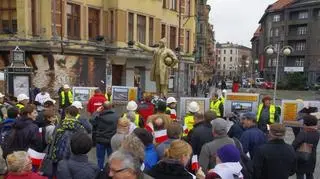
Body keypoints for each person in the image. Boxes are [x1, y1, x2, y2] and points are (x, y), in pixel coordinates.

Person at [90, 101, 119, 170]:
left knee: (100, 158)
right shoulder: (116, 116)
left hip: (100, 140)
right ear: (111, 107)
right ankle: (109, 171)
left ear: (102, 107)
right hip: (111, 140)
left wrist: (96, 112)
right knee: (111, 158)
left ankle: (100, 171)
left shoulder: (98, 116)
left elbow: (91, 121)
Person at [292, 115, 319, 179]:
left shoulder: (303, 133)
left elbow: (294, 145)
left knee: (300, 174)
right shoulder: (317, 133)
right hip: (312, 157)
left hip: (302, 157)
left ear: (305, 123)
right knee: (309, 174)